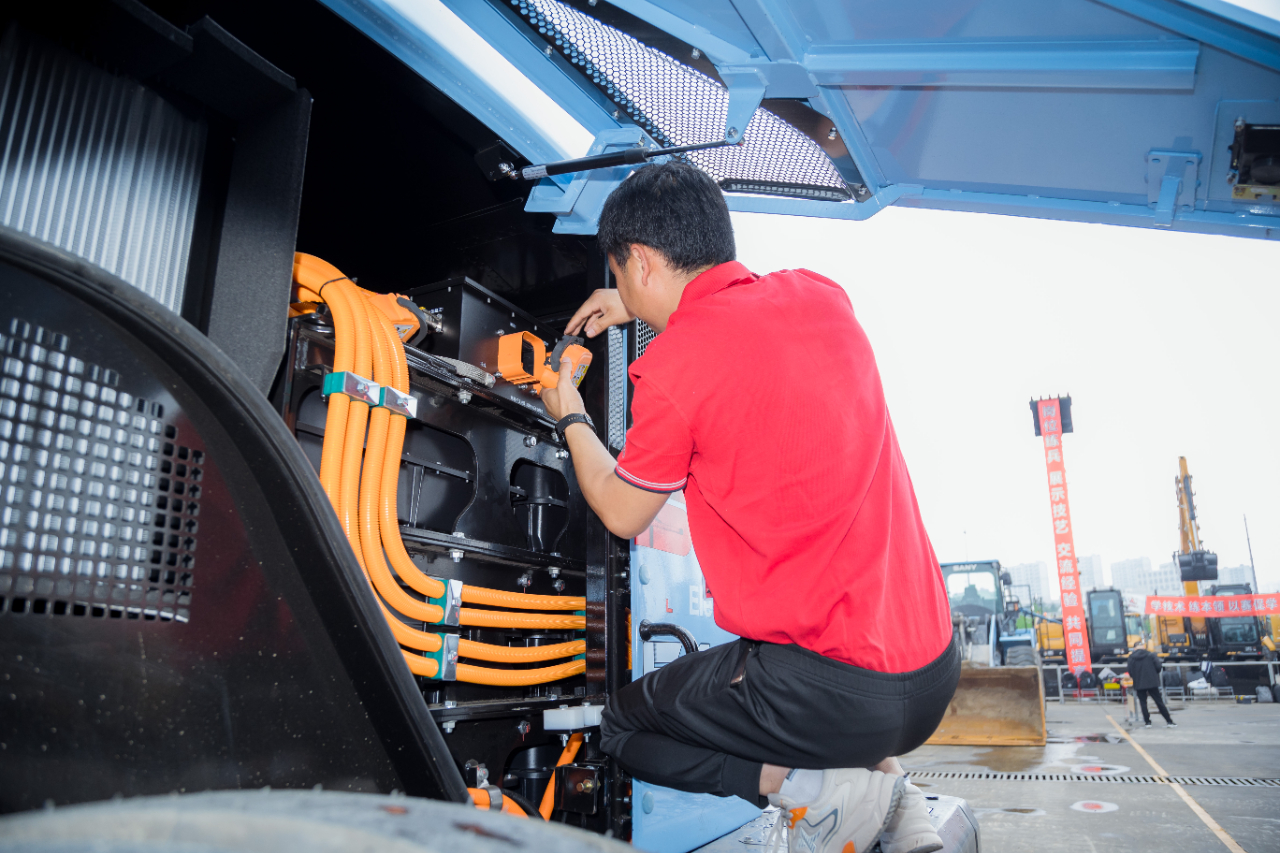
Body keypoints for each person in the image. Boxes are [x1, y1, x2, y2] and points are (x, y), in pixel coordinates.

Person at [541, 162, 959, 853]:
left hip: (835, 694)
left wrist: (570, 415)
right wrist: (636, 302)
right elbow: (738, 314)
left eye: (619, 273)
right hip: (934, 672)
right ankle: (895, 795)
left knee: (622, 726)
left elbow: (621, 511)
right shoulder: (822, 295)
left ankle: (810, 792)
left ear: (639, 261)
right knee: (825, 647)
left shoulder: (674, 367)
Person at [1127, 647, 1176, 728]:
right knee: (1159, 701)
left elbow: (1130, 671)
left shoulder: (1132, 658)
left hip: (1139, 682)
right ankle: (1169, 721)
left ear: (1135, 649)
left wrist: (1136, 677)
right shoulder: (1151, 655)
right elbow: (1158, 667)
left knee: (1143, 703)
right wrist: (1153, 674)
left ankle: (1147, 722)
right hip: (1152, 682)